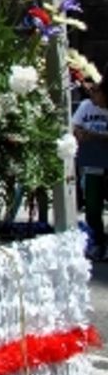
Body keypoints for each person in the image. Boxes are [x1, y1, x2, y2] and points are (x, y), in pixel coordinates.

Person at [73, 79, 108, 260]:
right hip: (92, 163)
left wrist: (95, 136)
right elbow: (75, 125)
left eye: (96, 91)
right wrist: (79, 132)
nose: (92, 94)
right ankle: (97, 242)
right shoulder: (86, 106)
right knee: (92, 207)